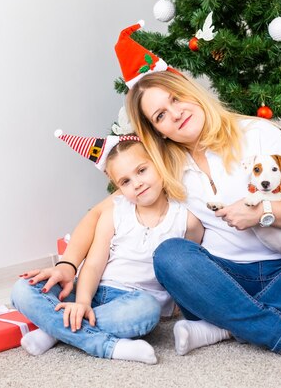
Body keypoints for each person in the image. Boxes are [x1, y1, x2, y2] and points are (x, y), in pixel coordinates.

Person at [116, 21, 281, 367]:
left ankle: (222, 327)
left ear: (191, 91)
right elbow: (113, 206)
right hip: (220, 280)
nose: (175, 113)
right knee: (170, 255)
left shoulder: (258, 132)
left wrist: (263, 211)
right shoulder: (164, 168)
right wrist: (73, 264)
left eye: (176, 99)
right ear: (156, 131)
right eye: (161, 115)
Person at [11, 134, 204, 365]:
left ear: (159, 163)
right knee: (22, 289)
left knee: (147, 310)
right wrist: (82, 301)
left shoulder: (187, 221)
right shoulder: (116, 211)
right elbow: (93, 264)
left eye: (142, 171)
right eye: (125, 181)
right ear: (118, 188)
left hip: (134, 301)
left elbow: (185, 270)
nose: (137, 183)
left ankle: (54, 330)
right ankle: (108, 346)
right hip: (93, 290)